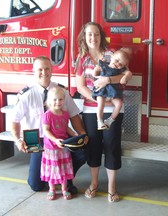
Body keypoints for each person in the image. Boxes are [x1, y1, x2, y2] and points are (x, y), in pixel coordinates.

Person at [11, 56, 87, 194]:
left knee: (82, 154)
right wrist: (18, 140)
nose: (44, 72)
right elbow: (14, 120)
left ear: (52, 70)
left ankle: (66, 178)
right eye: (40, 69)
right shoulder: (26, 94)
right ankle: (51, 175)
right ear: (33, 71)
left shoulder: (62, 92)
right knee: (36, 185)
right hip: (36, 139)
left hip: (61, 137)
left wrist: (82, 134)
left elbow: (74, 115)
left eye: (47, 68)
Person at [75, 22, 132, 202]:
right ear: (84, 36)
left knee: (112, 146)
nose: (93, 38)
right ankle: (94, 183)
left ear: (101, 36)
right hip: (91, 109)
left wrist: (107, 79)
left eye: (97, 34)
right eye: (90, 34)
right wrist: (98, 98)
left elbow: (123, 76)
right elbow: (80, 86)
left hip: (113, 109)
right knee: (94, 147)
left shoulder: (111, 54)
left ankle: (111, 187)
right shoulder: (81, 59)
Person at [41, 87, 76, 200]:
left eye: (60, 99)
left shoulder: (65, 114)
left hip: (63, 147)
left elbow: (66, 128)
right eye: (54, 100)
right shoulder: (47, 115)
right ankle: (51, 189)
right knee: (53, 169)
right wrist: (55, 140)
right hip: (51, 148)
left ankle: (64, 189)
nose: (58, 102)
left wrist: (74, 134)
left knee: (63, 169)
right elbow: (46, 130)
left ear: (64, 99)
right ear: (49, 101)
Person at [92, 48, 132, 130]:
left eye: (120, 64)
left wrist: (125, 77)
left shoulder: (120, 70)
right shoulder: (103, 65)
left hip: (113, 92)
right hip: (101, 90)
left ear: (123, 66)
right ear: (112, 56)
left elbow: (129, 73)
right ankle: (99, 121)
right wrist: (96, 70)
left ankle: (110, 120)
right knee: (100, 104)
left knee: (119, 104)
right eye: (117, 60)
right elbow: (95, 75)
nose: (117, 64)